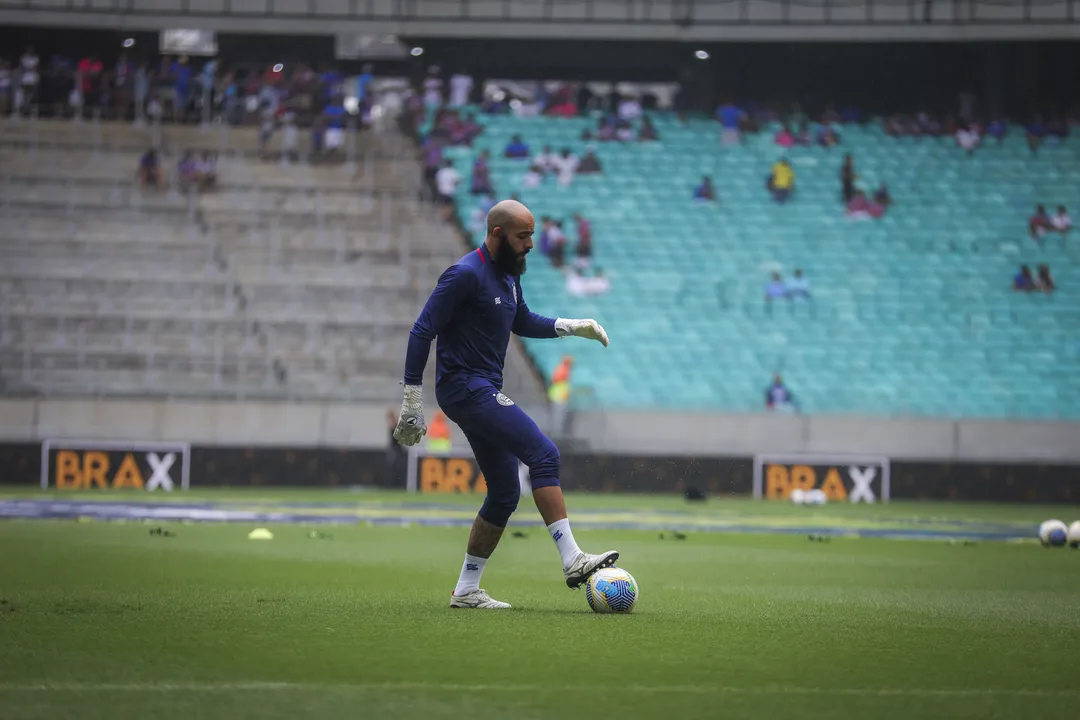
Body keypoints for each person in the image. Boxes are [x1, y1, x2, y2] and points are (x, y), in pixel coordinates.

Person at [393, 199, 618, 609]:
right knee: (543, 454)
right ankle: (572, 559)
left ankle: (466, 590)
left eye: (531, 234)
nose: (531, 244)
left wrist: (570, 326)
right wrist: (412, 398)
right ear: (497, 234)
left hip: (479, 388)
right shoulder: (464, 274)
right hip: (464, 386)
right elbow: (422, 330)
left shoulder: (508, 276)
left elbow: (521, 319)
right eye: (523, 236)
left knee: (503, 494)